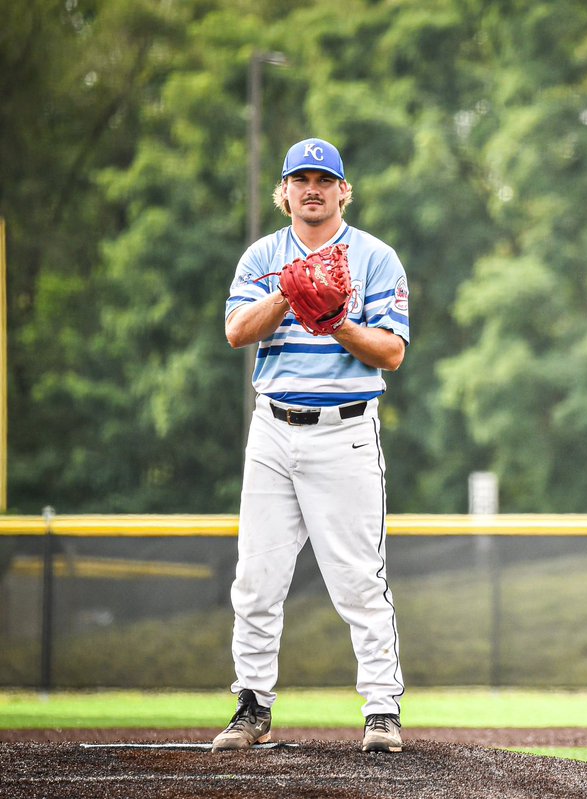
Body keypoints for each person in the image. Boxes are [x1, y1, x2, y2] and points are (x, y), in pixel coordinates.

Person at [214, 137, 410, 753]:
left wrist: (336, 322)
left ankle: (382, 711)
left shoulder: (376, 258)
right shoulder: (263, 257)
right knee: (256, 577)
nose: (313, 188)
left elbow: (393, 352)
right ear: (285, 191)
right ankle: (251, 706)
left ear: (343, 190)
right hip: (272, 429)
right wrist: (289, 292)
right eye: (301, 179)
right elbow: (236, 332)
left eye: (324, 179)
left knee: (358, 580)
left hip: (346, 431)